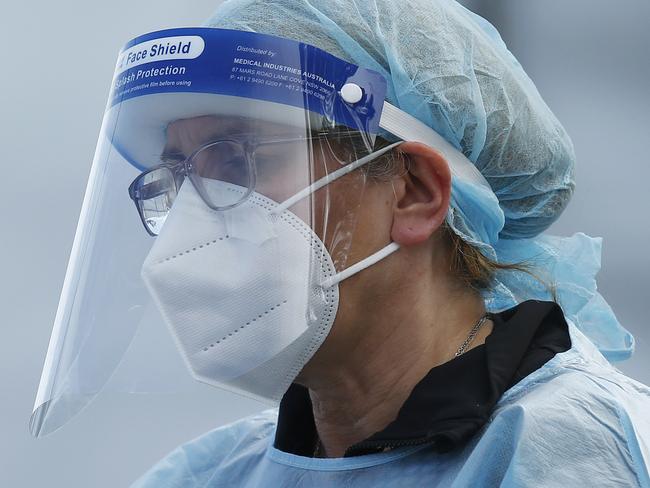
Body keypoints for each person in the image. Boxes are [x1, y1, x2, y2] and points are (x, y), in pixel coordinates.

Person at [30, 0, 649, 486]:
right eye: (176, 177)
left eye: (237, 162)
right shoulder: (217, 474)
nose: (195, 218)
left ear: (414, 193)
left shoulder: (571, 453)